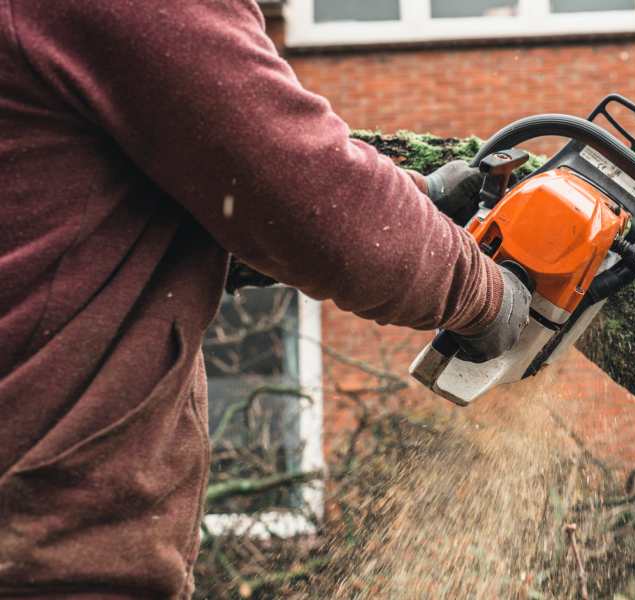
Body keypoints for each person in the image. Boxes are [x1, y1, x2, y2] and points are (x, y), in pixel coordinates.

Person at [0, 1, 531, 597]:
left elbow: (97, 208)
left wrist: (416, 201)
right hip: (45, 556)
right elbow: (298, 191)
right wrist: (488, 296)